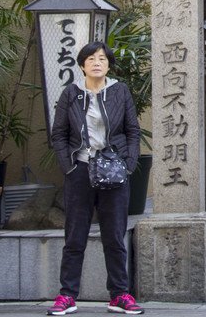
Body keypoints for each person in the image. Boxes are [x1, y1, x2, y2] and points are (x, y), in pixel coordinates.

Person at [48, 41, 142, 316]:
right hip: (80, 170)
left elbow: (133, 130)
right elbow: (59, 134)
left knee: (114, 235)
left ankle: (120, 294)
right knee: (75, 236)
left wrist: (127, 165)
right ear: (82, 65)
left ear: (109, 65)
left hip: (114, 170)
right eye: (91, 59)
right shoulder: (71, 94)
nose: (97, 62)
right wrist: (68, 166)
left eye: (102, 58)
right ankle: (67, 295)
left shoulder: (120, 91)